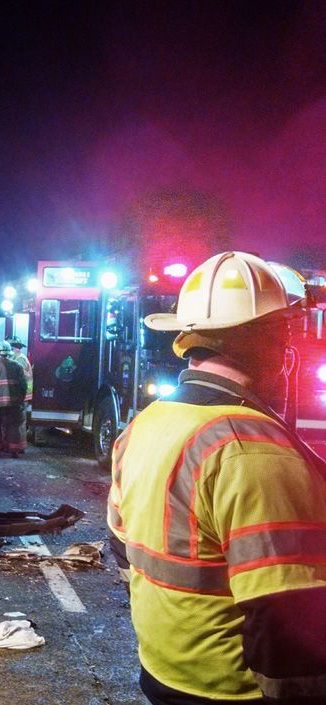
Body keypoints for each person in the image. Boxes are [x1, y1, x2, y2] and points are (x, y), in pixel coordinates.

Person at [107, 251, 326, 705]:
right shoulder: (252, 446)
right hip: (234, 691)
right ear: (261, 340)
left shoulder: (143, 425)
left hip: (164, 674)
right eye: (283, 333)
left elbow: (122, 548)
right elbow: (285, 617)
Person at [7, 337, 33, 454]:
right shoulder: (16, 358)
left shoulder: (20, 359)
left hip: (23, 395)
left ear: (16, 348)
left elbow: (19, 378)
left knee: (20, 421)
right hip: (20, 394)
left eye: (11, 347)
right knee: (17, 421)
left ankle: (21, 446)